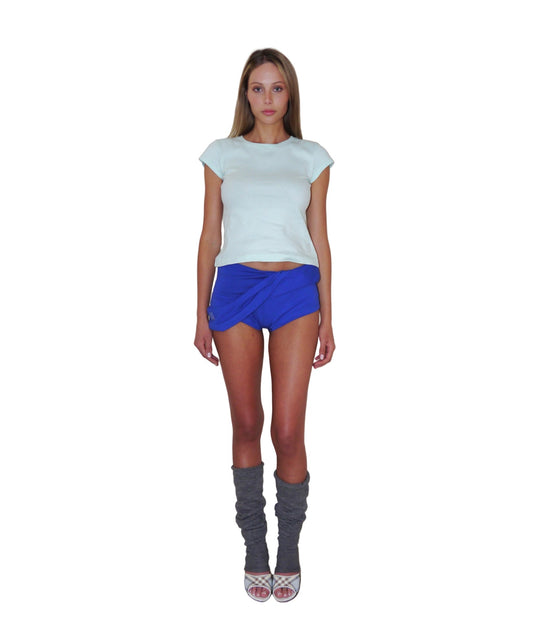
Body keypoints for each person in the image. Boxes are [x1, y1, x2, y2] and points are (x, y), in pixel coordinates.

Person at [194, 48, 335, 603]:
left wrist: (329, 315)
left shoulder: (311, 157)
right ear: (245, 94)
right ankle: (255, 545)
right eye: (258, 88)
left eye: (277, 88)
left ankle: (289, 546)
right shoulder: (221, 155)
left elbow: (320, 238)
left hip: (295, 290)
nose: (268, 98)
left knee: (288, 431)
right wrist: (199, 312)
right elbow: (210, 235)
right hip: (234, 291)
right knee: (247, 422)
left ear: (290, 93)